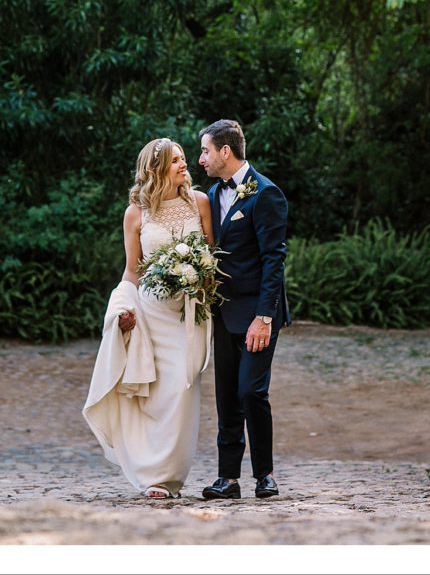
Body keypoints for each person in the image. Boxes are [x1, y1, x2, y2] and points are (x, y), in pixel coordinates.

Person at [83, 137, 213, 499]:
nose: (184, 165)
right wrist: (122, 308)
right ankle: (155, 477)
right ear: (156, 169)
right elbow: (131, 272)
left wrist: (201, 278)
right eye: (175, 161)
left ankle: (172, 475)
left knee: (181, 392)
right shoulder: (136, 214)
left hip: (188, 314)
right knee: (153, 396)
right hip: (150, 313)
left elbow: (214, 259)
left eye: (184, 158)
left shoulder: (200, 203)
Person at [198, 118, 290, 500]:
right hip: (222, 312)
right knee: (226, 395)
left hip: (257, 314)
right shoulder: (209, 195)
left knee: (252, 391)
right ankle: (228, 478)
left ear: (225, 151)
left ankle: (264, 474)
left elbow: (274, 260)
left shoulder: (266, 194)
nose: (200, 158)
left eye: (205, 150)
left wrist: (264, 317)